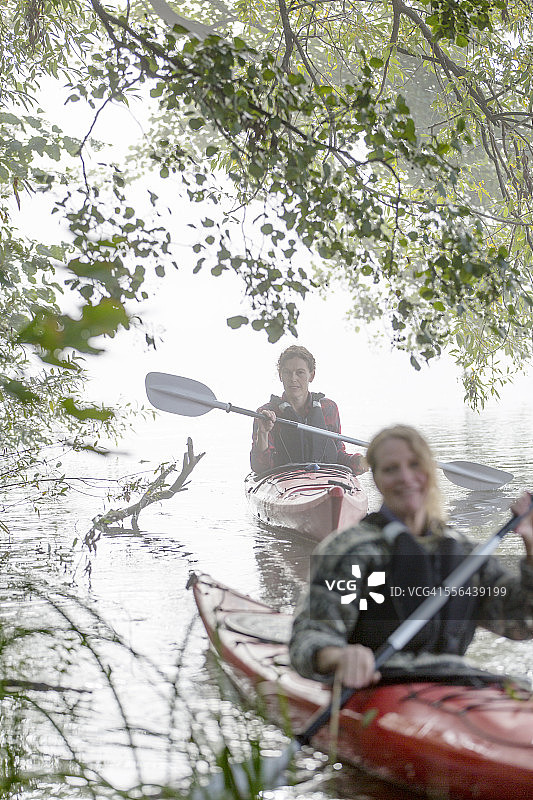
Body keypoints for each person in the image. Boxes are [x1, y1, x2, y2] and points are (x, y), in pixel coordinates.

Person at [289, 424, 533, 689]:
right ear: (378, 479)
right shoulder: (351, 550)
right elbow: (308, 640)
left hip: (449, 689)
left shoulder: (464, 553)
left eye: (414, 465)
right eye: (391, 469)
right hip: (376, 689)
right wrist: (337, 656)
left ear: (429, 472)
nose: (405, 477)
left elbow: (521, 622)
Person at [250, 345, 366, 475]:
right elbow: (260, 467)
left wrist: (360, 461)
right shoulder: (265, 413)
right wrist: (263, 433)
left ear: (311, 375)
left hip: (324, 481)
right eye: (287, 372)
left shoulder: (328, 408)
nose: (293, 378)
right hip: (286, 484)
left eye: (300, 372)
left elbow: (338, 455)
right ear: (280, 376)